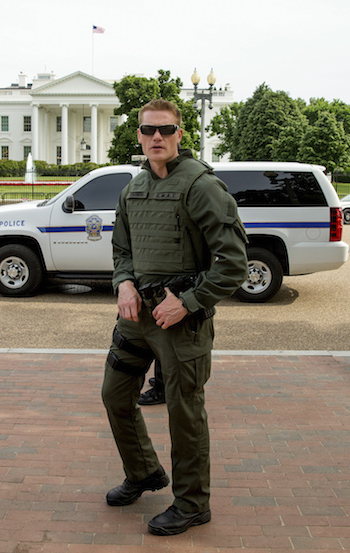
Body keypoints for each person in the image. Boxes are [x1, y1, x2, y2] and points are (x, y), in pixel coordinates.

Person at [101, 99, 248, 536]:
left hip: (181, 321)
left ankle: (192, 504)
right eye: (148, 131)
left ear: (180, 134)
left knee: (184, 414)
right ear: (140, 136)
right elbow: (122, 250)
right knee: (114, 394)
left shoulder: (201, 186)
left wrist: (188, 301)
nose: (156, 138)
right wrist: (124, 283)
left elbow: (234, 263)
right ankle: (144, 471)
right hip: (137, 318)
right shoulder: (133, 188)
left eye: (165, 130)